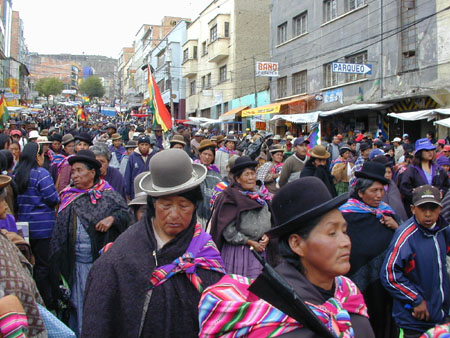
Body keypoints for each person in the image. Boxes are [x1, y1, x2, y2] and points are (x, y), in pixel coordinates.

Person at [199, 177, 375, 337]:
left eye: (344, 231)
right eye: (331, 233)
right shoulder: (276, 313)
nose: (345, 242)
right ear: (297, 244)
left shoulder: (348, 294)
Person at [82, 149, 225, 337]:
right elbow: (98, 324)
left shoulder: (206, 251)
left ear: (195, 206)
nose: (174, 215)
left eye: (183, 205)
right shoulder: (118, 260)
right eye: (166, 205)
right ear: (152, 206)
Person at [49, 150, 130, 336]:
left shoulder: (108, 195)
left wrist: (113, 218)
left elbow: (127, 215)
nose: (74, 175)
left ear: (92, 172)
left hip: (99, 265)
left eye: (79, 171)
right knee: (77, 306)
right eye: (73, 171)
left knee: (99, 306)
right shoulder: (68, 196)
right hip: (74, 265)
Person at [339, 161, 400, 338]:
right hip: (357, 283)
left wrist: (396, 226)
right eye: (375, 191)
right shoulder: (345, 215)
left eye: (382, 190)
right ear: (360, 192)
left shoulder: (387, 213)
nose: (380, 195)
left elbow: (403, 240)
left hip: (385, 285)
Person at [381, 185, 450, 338]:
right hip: (414, 320)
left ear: (440, 209)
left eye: (433, 208)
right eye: (422, 208)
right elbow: (389, 274)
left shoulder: (443, 231)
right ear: (413, 209)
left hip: (440, 315)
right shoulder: (405, 236)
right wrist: (415, 299)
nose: (428, 214)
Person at [210, 156, 272, 279]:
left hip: (260, 250)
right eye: (246, 174)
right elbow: (228, 231)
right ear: (238, 179)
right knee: (240, 288)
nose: (251, 178)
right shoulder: (230, 197)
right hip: (240, 253)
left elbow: (270, 219)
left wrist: (268, 235)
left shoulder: (261, 196)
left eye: (253, 173)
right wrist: (249, 242)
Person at [14, 142, 59, 307]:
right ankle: (46, 300)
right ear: (36, 156)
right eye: (41, 155)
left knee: (28, 263)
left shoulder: (17, 174)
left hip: (24, 227)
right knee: (43, 265)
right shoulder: (41, 174)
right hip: (43, 228)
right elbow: (53, 198)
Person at [399, 138, 450, 218]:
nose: (430, 153)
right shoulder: (411, 170)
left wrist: (441, 192)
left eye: (431, 150)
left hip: (435, 207)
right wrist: (417, 194)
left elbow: (446, 184)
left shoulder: (438, 169)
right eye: (426, 150)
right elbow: (404, 187)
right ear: (419, 152)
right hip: (418, 208)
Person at [372, 155, 408, 222]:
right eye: (385, 172)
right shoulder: (373, 188)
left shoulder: (393, 187)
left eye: (389, 172)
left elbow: (399, 208)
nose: (387, 175)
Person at [195, 139, 222, 228]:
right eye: (205, 154)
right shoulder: (193, 170)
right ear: (200, 154)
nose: (207, 157)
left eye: (210, 155)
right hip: (195, 213)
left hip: (210, 214)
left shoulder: (216, 174)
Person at [124, 135, 156, 200]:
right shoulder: (132, 157)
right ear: (138, 145)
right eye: (142, 144)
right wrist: (127, 192)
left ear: (149, 146)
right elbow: (128, 175)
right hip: (136, 190)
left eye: (146, 145)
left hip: (150, 189)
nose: (144, 147)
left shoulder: (154, 155)